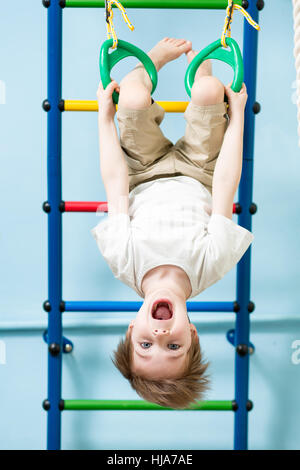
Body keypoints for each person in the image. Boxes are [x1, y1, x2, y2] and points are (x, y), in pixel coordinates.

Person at [91, 38, 254, 409]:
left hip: (143, 170)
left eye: (146, 344)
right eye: (174, 345)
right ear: (192, 334)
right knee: (211, 91)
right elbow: (226, 184)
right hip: (202, 170)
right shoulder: (212, 265)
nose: (160, 332)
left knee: (130, 99)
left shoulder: (122, 258)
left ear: (132, 329)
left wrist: (104, 117)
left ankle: (153, 61)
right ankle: (202, 73)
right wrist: (238, 116)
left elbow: (115, 181)